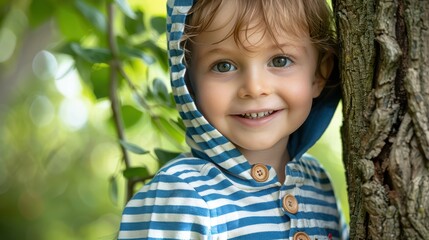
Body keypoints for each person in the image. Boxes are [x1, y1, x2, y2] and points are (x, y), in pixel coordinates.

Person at [118, 0, 349, 239]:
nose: (254, 87)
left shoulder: (316, 182)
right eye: (223, 66)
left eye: (280, 60)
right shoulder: (180, 197)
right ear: (188, 82)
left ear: (319, 75)